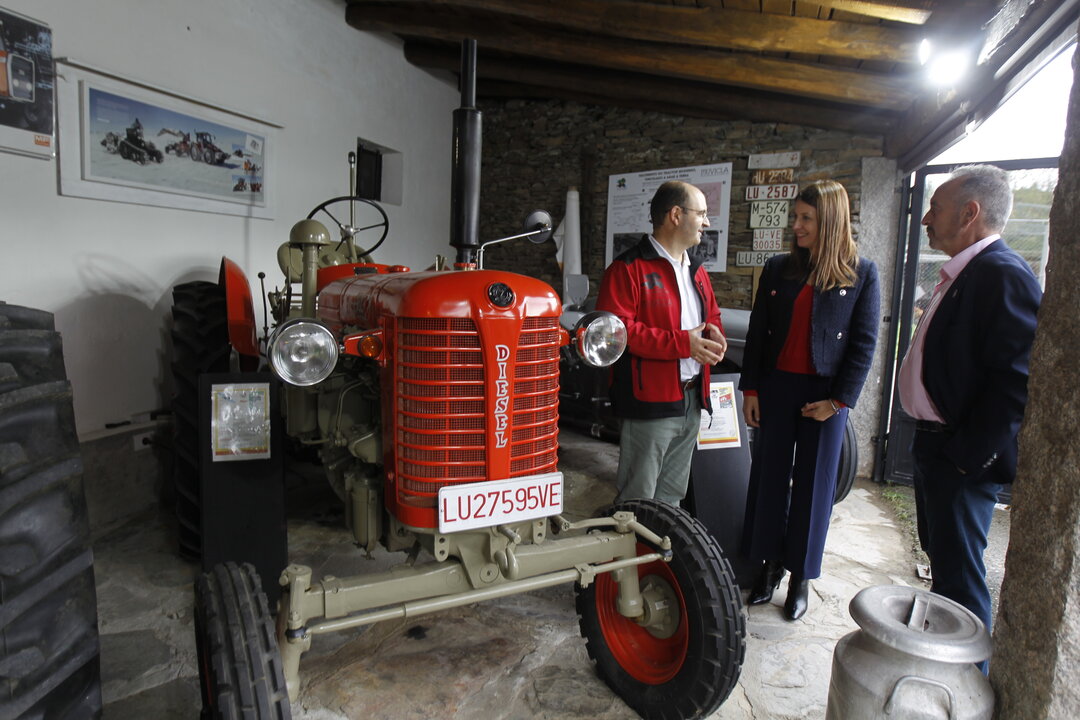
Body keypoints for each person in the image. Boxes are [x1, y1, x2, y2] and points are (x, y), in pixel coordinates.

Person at [898, 164, 1041, 647]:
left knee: (960, 585)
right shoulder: (966, 272)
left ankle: (963, 689)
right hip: (937, 449)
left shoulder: (1002, 275)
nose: (926, 220)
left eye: (935, 209)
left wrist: (965, 459)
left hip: (957, 459)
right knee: (947, 574)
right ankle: (948, 671)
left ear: (970, 213)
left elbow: (1017, 382)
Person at [740, 180, 880, 621]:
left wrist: (838, 402)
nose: (795, 226)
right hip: (777, 388)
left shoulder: (862, 273)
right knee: (768, 479)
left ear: (830, 222)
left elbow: (864, 344)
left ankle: (801, 575)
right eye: (795, 217)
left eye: (806, 219)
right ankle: (767, 566)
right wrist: (752, 389)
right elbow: (759, 333)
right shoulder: (779, 267)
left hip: (824, 397)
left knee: (814, 489)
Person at [597, 180, 727, 505]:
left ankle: (659, 556)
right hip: (649, 403)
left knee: (671, 498)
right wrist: (685, 344)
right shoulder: (626, 269)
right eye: (702, 213)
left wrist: (715, 336)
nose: (707, 222)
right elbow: (618, 333)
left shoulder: (696, 270)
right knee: (637, 500)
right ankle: (630, 556)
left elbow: (712, 316)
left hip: (692, 398)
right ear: (676, 215)